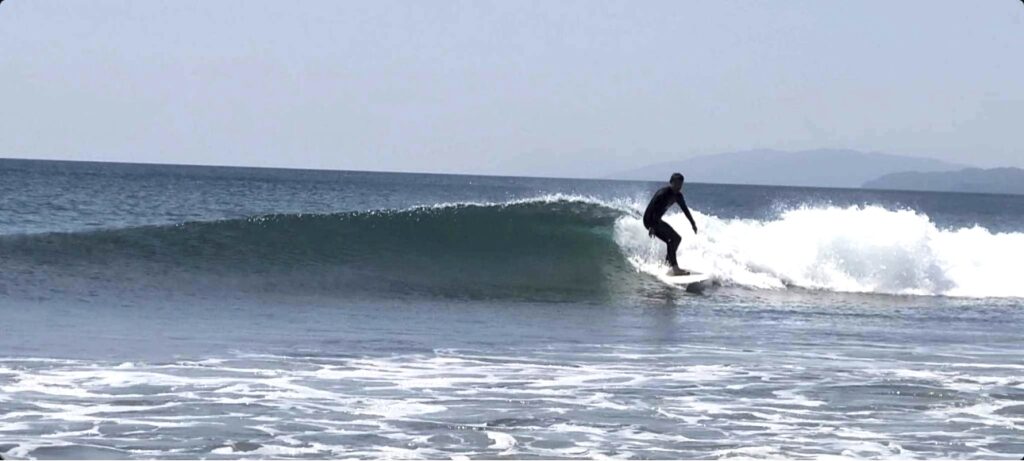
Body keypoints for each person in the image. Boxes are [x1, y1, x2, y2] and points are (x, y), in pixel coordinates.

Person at [643, 172, 697, 275]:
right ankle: (675, 268)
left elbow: (685, 210)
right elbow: (653, 210)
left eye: (680, 184)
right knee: (672, 239)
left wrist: (693, 224)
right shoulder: (663, 193)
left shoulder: (678, 196)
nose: (679, 187)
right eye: (676, 184)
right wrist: (652, 226)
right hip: (649, 220)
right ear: (671, 182)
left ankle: (668, 264)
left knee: (676, 239)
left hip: (656, 220)